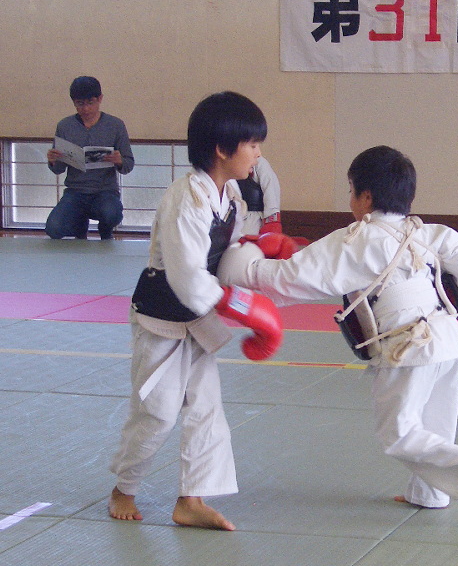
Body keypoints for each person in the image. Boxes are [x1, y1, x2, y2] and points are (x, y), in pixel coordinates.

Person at [218, 145, 458, 513]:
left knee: (398, 432)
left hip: (407, 346)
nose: (350, 200)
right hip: (447, 337)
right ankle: (429, 494)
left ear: (365, 196)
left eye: (351, 190)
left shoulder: (356, 240)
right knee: (435, 423)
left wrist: (244, 259)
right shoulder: (429, 232)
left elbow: (288, 279)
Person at [108, 91, 283, 530]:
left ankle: (192, 499)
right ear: (223, 149)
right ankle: (123, 487)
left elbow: (225, 258)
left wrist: (263, 257)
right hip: (162, 315)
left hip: (197, 317)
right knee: (160, 410)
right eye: (253, 145)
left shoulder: (231, 197)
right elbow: (186, 275)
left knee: (206, 406)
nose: (258, 154)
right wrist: (240, 305)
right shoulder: (186, 198)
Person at [45, 76, 135, 240]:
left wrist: (119, 161)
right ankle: (80, 226)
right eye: (80, 104)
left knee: (111, 214)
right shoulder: (65, 126)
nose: (86, 109)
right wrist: (53, 159)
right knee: (54, 228)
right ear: (74, 102)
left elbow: (129, 164)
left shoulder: (115, 125)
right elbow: (58, 170)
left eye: (90, 102)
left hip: (105, 191)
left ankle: (105, 230)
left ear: (100, 99)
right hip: (75, 192)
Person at [237, 156, 282, 235]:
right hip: (233, 218)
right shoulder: (226, 164)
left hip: (255, 219)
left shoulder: (259, 163)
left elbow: (270, 191)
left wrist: (271, 223)